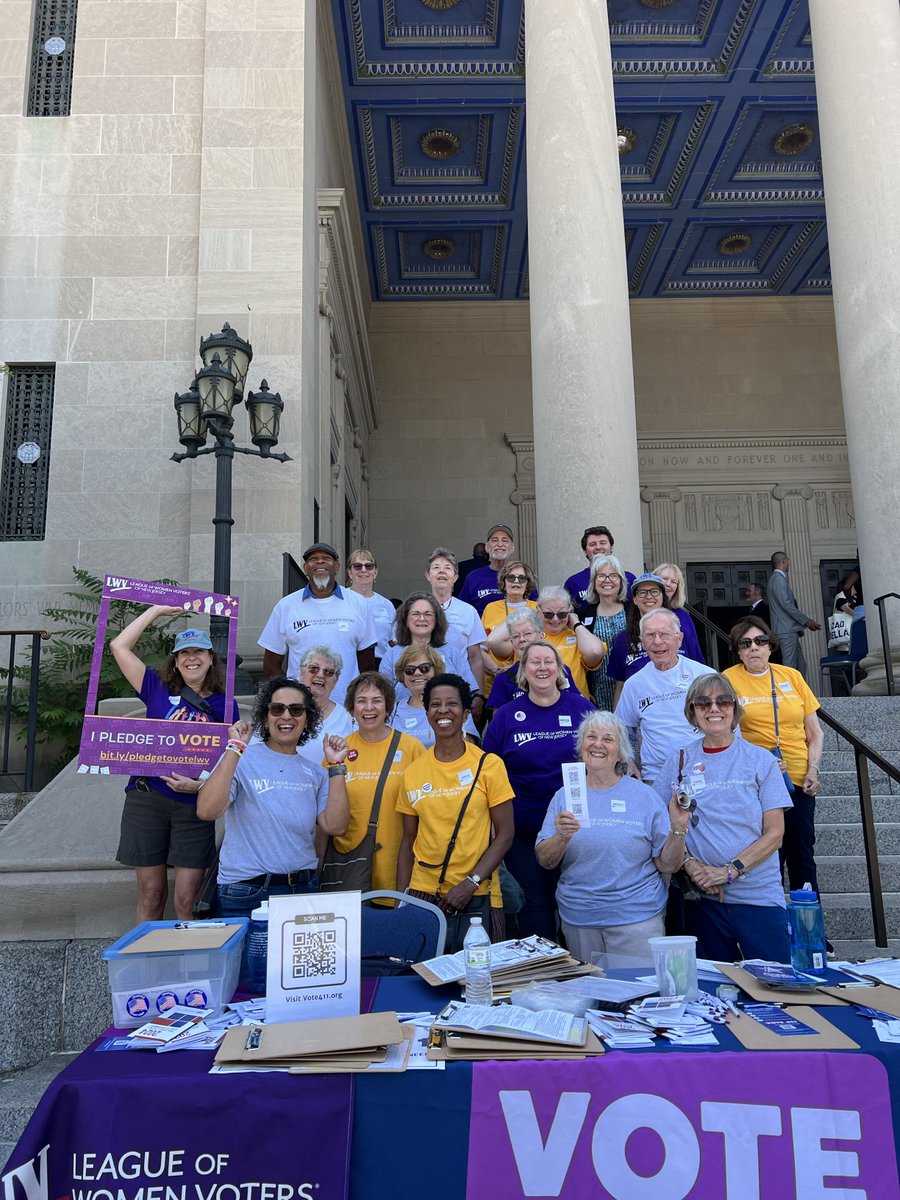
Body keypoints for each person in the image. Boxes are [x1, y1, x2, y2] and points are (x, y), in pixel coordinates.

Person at [653, 674, 793, 963]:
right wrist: (691, 867)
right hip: (704, 900)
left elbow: (775, 833)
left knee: (774, 990)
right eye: (703, 702)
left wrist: (729, 871)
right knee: (716, 994)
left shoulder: (760, 760)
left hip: (758, 899)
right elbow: (660, 824)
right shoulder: (679, 761)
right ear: (692, 712)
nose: (713, 708)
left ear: (734, 709)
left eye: (722, 700)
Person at [110, 611, 235, 922]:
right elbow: (119, 647)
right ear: (176, 661)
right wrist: (155, 611)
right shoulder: (156, 689)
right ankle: (147, 967)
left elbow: (229, 758)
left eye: (198, 652)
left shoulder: (224, 703)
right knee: (151, 895)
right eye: (184, 653)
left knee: (187, 900)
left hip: (193, 803)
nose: (191, 658)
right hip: (148, 797)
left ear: (210, 658)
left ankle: (189, 968)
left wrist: (202, 785)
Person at [536, 711, 687, 960]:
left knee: (638, 995)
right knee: (590, 995)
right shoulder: (565, 795)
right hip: (580, 918)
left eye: (608, 739)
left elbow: (669, 864)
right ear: (581, 745)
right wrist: (561, 836)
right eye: (591, 737)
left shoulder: (644, 796)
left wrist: (678, 829)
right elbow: (545, 860)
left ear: (621, 751)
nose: (597, 744)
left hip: (637, 918)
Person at [196, 677, 350, 921]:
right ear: (266, 716)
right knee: (245, 961)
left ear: (307, 718)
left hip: (300, 890)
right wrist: (234, 748)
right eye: (277, 709)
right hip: (245, 890)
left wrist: (337, 765)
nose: (286, 716)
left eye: (296, 709)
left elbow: (336, 826)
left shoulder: (317, 772)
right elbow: (207, 811)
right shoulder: (240, 758)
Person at [482, 641, 595, 939]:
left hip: (577, 829)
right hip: (524, 832)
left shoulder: (582, 708)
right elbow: (488, 773)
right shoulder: (506, 716)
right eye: (535, 662)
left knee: (580, 904)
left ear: (560, 670)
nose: (542, 668)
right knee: (535, 908)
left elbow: (604, 759)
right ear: (523, 670)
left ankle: (581, 973)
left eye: (549, 662)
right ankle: (544, 976)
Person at [397, 674, 514, 952]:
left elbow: (506, 834)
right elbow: (408, 841)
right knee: (424, 981)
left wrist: (471, 883)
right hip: (423, 894)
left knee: (482, 981)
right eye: (435, 704)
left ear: (465, 713)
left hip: (478, 893)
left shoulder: (489, 764)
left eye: (452, 704)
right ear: (427, 714)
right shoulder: (413, 771)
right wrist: (402, 900)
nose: (443, 710)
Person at [724, 617, 825, 897]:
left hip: (796, 780)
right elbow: (724, 733)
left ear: (771, 646)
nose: (754, 648)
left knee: (802, 853)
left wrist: (813, 770)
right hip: (757, 783)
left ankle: (810, 930)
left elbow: (815, 732)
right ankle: (775, 926)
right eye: (745, 643)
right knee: (770, 857)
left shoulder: (791, 676)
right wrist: (761, 763)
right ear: (738, 651)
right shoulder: (727, 680)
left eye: (760, 641)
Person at [328, 672, 425, 894]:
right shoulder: (338, 751)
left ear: (388, 707)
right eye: (361, 701)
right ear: (352, 709)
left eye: (377, 701)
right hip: (350, 868)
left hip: (398, 870)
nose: (369, 708)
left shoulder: (412, 748)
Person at [258, 542, 376, 703]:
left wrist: (355, 694)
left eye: (326, 558)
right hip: (301, 709)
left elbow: (367, 661)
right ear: (306, 568)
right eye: (313, 559)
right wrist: (291, 694)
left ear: (337, 567)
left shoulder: (360, 604)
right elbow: (270, 664)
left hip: (347, 705)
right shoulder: (285, 606)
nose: (320, 562)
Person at [615, 610, 711, 785]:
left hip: (705, 773)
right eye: (650, 635)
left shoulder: (704, 676)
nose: (657, 642)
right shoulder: (634, 685)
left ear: (679, 638)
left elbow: (731, 727)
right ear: (642, 642)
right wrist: (627, 760)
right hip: (656, 778)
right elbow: (623, 731)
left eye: (664, 634)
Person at [485, 584, 606, 699]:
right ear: (539, 610)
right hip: (532, 706)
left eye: (562, 614)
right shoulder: (529, 635)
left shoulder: (579, 637)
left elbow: (594, 652)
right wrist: (529, 613)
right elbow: (493, 641)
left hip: (572, 707)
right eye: (548, 614)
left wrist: (576, 623)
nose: (555, 619)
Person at [607, 573, 704, 704]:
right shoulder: (623, 639)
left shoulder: (680, 634)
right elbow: (620, 687)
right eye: (642, 592)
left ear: (663, 598)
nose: (649, 596)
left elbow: (701, 676)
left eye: (655, 591)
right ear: (635, 600)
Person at [379, 592, 479, 714]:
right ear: (405, 619)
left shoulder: (452, 653)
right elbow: (383, 695)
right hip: (403, 723)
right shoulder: (392, 655)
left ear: (437, 619)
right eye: (416, 614)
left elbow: (469, 692)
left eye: (428, 614)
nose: (422, 618)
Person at [485, 607, 577, 712]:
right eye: (516, 636)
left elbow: (577, 708)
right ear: (512, 643)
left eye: (528, 633)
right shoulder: (503, 679)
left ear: (542, 636)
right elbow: (499, 724)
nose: (522, 639)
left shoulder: (561, 670)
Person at [424, 547, 486, 697]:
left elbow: (475, 658)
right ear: (427, 575)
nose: (442, 572)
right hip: (422, 688)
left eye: (447, 568)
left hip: (460, 689)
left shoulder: (468, 611)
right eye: (436, 568)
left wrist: (479, 695)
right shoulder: (415, 608)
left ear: (456, 577)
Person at [390, 645, 479, 746]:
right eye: (410, 670)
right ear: (403, 676)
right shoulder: (392, 710)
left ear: (436, 671)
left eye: (424, 668)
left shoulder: (455, 707)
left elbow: (468, 748)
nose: (417, 673)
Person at [576, 553, 628, 710]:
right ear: (593, 582)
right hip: (596, 690)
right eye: (601, 576)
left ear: (621, 581)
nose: (607, 580)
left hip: (628, 686)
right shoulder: (584, 613)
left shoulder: (633, 611)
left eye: (613, 576)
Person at [479, 559, 538, 681]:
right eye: (511, 578)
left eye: (522, 578)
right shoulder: (490, 609)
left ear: (527, 583)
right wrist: (498, 672)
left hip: (532, 677)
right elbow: (481, 650)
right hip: (497, 679)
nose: (516, 582)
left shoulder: (537, 608)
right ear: (503, 582)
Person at [295, 646, 353, 766]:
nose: (321, 675)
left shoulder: (347, 719)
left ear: (335, 681)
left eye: (328, 672)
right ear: (301, 673)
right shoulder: (283, 710)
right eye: (313, 668)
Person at [767, 551, 820, 676]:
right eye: (788, 561)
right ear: (783, 561)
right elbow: (787, 605)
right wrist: (806, 621)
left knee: (800, 666)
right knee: (789, 667)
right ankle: (788, 694)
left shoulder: (777, 579)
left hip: (789, 629)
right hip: (785, 630)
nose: (789, 564)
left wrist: (798, 626)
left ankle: (799, 693)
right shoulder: (778, 579)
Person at [459, 523, 523, 615]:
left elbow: (535, 609)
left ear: (512, 548)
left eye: (505, 540)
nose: (500, 544)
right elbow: (462, 612)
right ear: (487, 547)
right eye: (494, 540)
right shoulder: (474, 577)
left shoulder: (522, 577)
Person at [564, 525, 636, 606]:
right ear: (585, 551)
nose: (598, 547)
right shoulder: (573, 583)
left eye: (603, 543)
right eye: (592, 544)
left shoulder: (629, 578)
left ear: (611, 547)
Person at [346, 549, 396, 664]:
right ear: (350, 573)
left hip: (381, 665)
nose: (363, 570)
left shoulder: (387, 605)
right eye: (357, 566)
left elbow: (393, 641)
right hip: (349, 664)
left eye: (369, 566)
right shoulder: (341, 600)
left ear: (375, 572)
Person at [654, 563, 702, 663]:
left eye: (673, 582)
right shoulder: (645, 613)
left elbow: (694, 649)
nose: (668, 584)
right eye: (664, 578)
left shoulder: (683, 616)